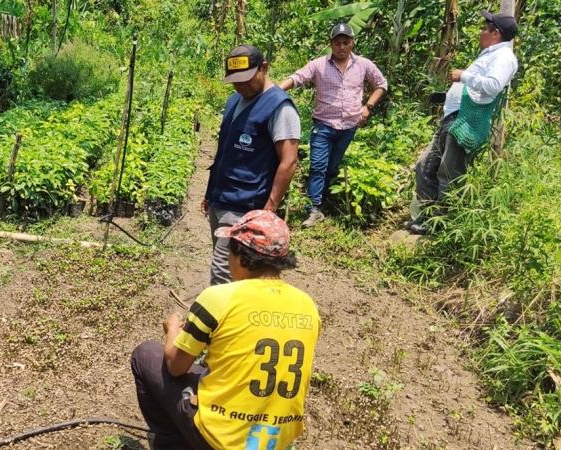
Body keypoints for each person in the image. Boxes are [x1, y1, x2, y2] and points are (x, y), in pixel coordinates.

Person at [131, 210, 320, 450]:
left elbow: (176, 366)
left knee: (145, 354)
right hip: (273, 441)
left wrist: (172, 330)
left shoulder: (219, 297)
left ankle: (173, 443)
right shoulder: (307, 305)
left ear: (242, 257)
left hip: (224, 439)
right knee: (203, 369)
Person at [408, 11, 518, 234]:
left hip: (465, 120)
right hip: (453, 118)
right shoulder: (490, 54)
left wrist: (463, 76)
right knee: (424, 166)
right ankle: (428, 218)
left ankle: (440, 226)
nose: (481, 32)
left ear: (496, 33)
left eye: (484, 28)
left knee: (449, 173)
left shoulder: (504, 57)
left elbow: (493, 85)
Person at [204, 45, 300, 286]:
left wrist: (270, 207)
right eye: (235, 82)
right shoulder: (234, 101)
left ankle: (219, 321)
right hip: (221, 199)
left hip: (245, 206)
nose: (241, 86)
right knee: (233, 269)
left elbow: (288, 161)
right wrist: (209, 193)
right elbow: (225, 152)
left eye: (246, 80)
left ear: (264, 68)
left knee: (222, 273)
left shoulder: (280, 107)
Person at [279, 23, 388, 228]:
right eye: (337, 43)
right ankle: (313, 208)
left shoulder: (364, 65)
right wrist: (277, 90)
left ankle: (323, 201)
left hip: (349, 126)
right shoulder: (319, 65)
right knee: (318, 166)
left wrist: (368, 107)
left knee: (332, 167)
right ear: (331, 44)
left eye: (346, 42)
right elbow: (298, 77)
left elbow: (381, 84)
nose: (341, 47)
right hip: (324, 125)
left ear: (352, 43)